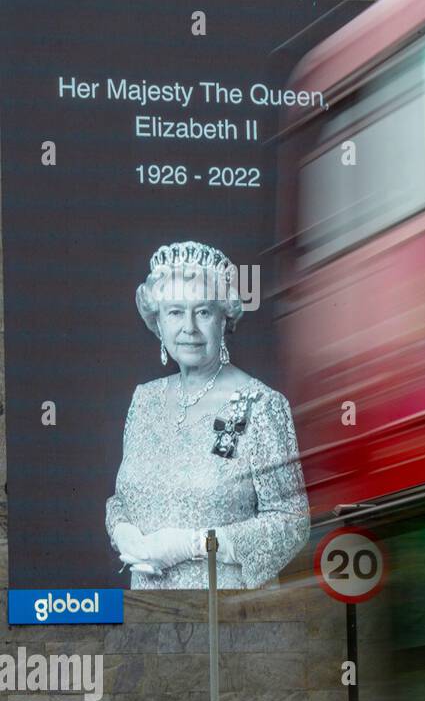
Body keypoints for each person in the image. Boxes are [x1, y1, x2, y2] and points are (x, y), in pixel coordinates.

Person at [105, 241, 310, 589]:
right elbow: (122, 500)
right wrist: (120, 530)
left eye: (202, 312)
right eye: (174, 312)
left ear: (224, 317)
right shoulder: (145, 400)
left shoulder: (260, 404)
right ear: (157, 320)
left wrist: (196, 545)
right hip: (148, 617)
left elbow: (291, 523)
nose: (189, 328)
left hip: (228, 620)